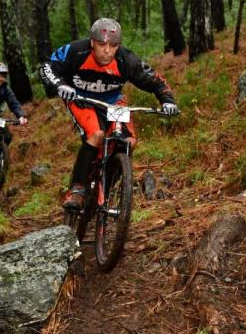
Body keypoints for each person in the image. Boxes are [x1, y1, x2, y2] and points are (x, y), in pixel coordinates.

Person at [40, 18, 179, 212]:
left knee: (129, 141)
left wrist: (167, 101)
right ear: (92, 42)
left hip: (113, 102)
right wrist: (60, 85)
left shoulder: (126, 59)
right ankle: (78, 188)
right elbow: (48, 66)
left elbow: (154, 80)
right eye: (101, 44)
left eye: (113, 46)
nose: (107, 51)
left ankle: (107, 185)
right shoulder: (76, 51)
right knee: (96, 135)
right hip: (81, 100)